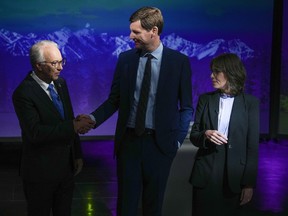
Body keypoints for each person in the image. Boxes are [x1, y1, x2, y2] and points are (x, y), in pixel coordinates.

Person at [78, 6, 193, 216]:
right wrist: (92, 119)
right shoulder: (126, 59)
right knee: (126, 206)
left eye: (136, 32)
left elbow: (186, 108)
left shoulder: (179, 62)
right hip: (128, 144)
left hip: (160, 147)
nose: (131, 36)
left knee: (153, 206)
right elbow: (115, 100)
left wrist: (176, 141)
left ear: (154, 31)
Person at [12, 40, 95, 216]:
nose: (60, 67)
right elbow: (35, 133)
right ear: (39, 66)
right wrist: (73, 125)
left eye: (61, 61)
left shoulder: (60, 84)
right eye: (54, 63)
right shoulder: (23, 93)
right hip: (40, 173)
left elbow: (68, 119)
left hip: (66, 168)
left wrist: (77, 154)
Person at [189, 53, 259, 216]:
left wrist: (249, 184)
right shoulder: (205, 99)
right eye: (211, 71)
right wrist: (206, 134)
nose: (211, 76)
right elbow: (194, 135)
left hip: (236, 175)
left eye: (216, 71)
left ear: (231, 72)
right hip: (206, 172)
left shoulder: (250, 103)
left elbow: (252, 147)